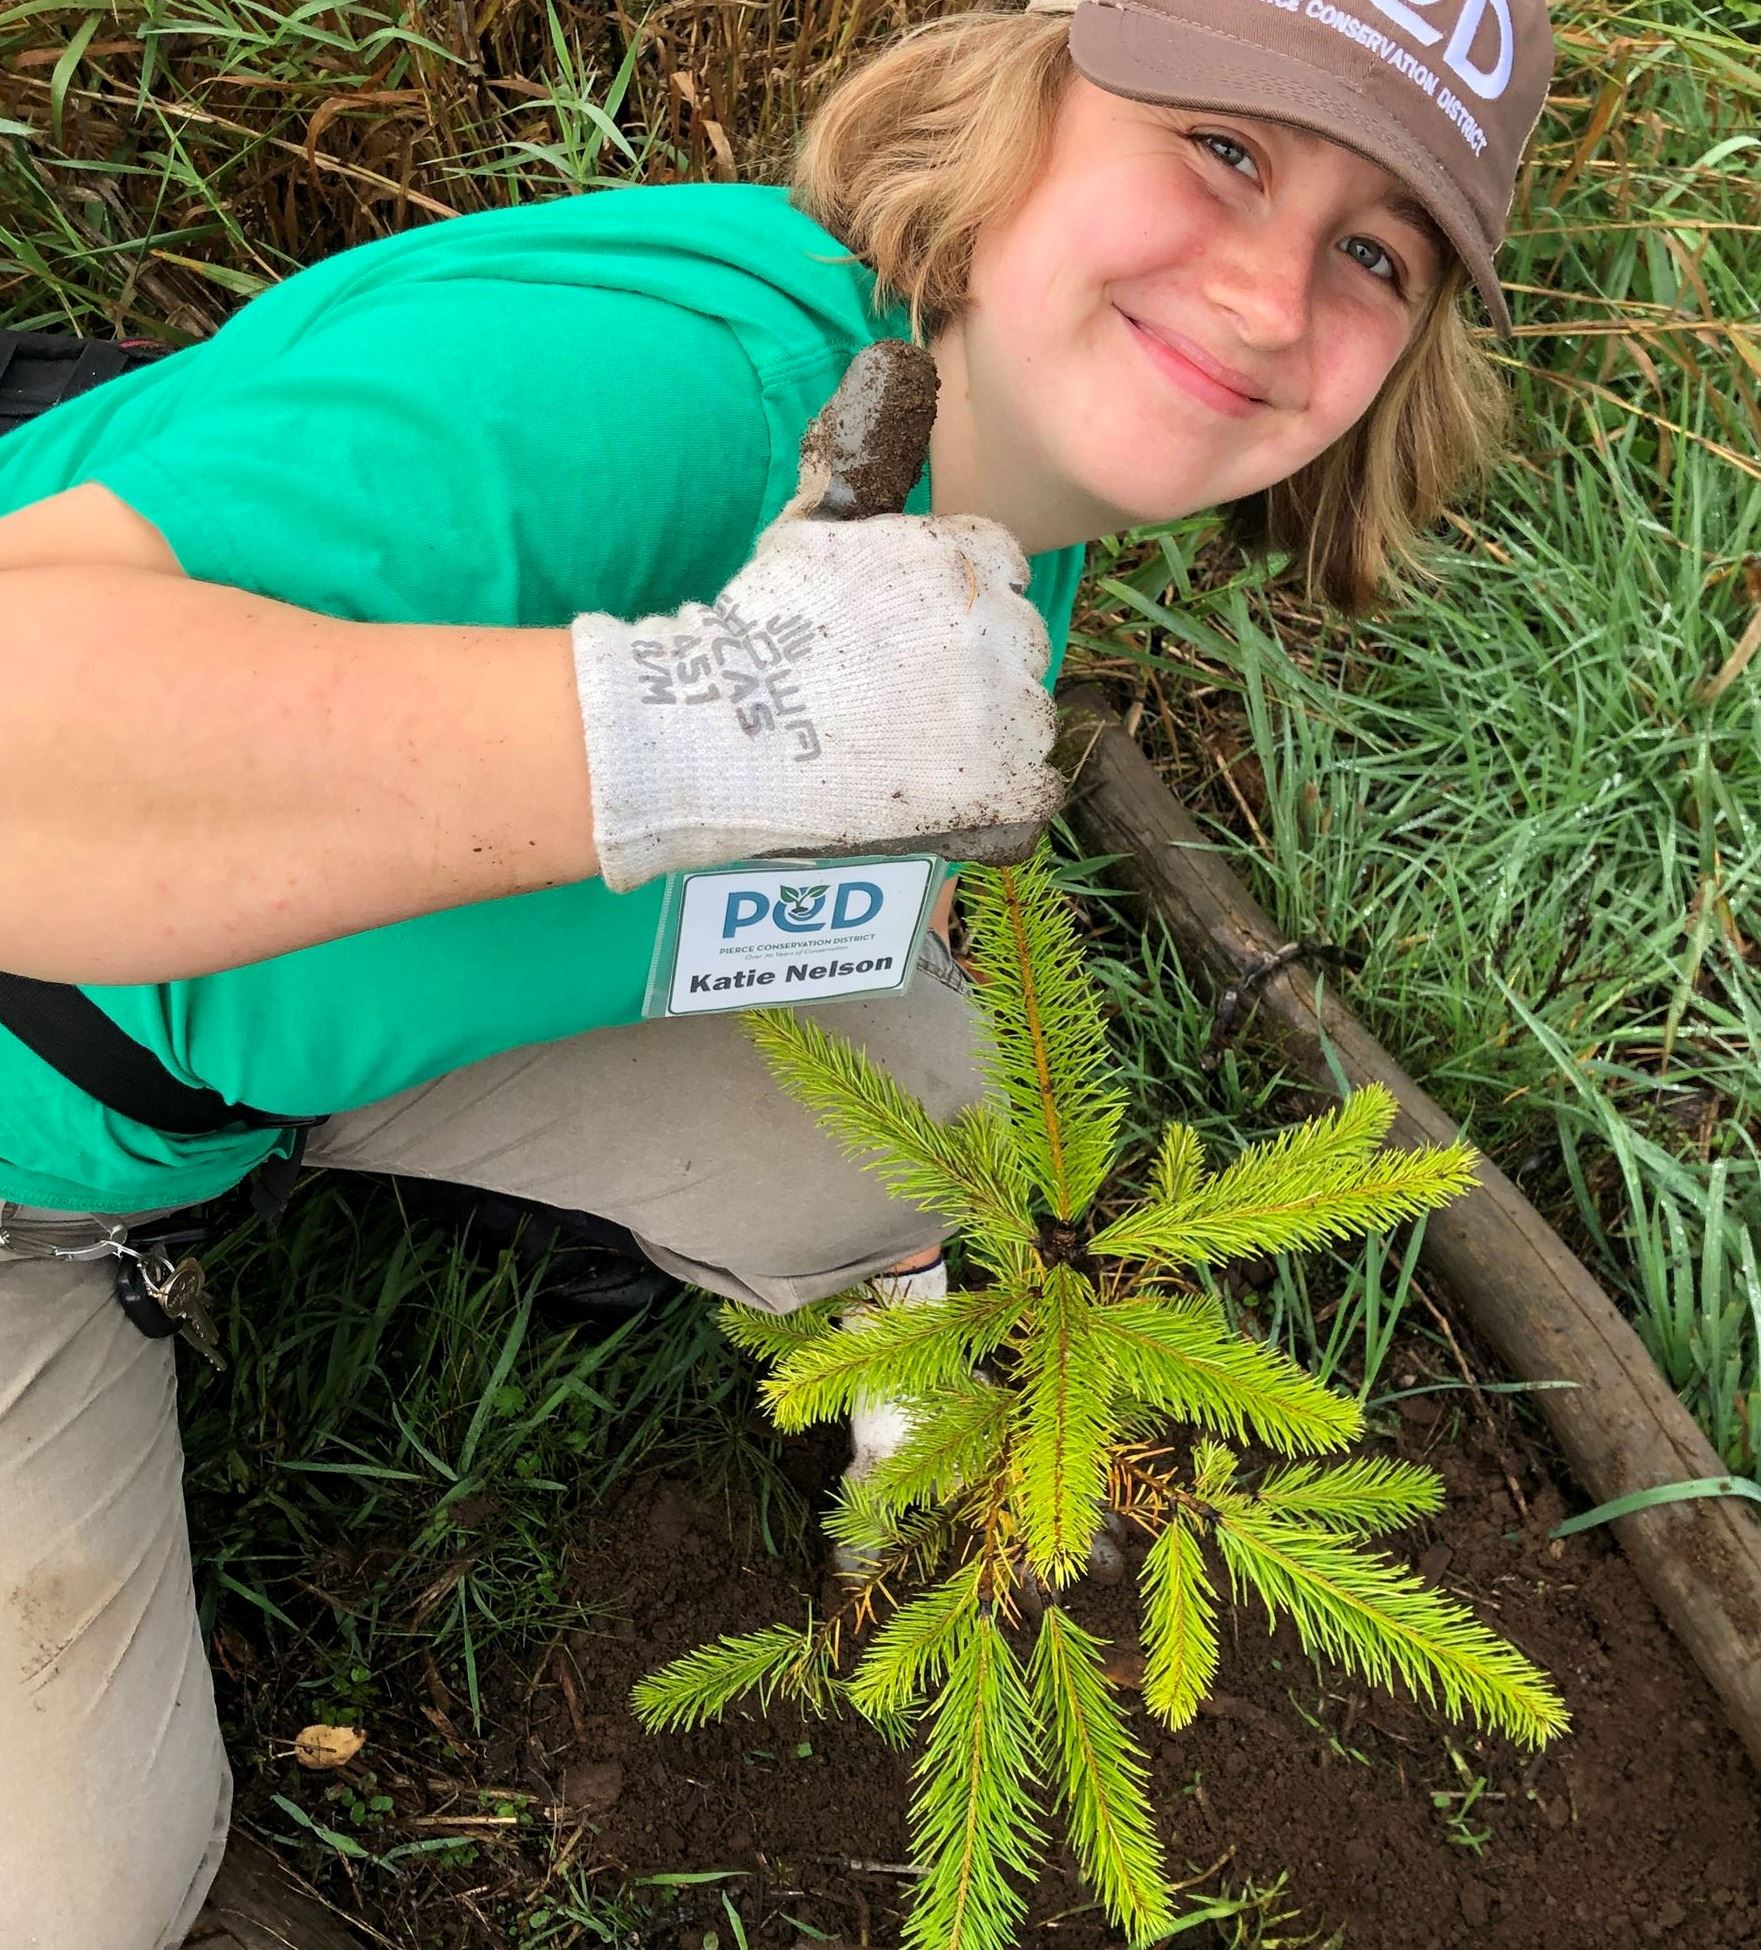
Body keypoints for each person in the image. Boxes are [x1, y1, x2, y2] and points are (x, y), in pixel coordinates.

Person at [0, 0, 1553, 1942]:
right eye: (1222, 150)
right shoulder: (660, 385)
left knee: (929, 1109)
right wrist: (695, 727)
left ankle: (917, 1440)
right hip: (25, 1120)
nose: (1260, 293)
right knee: (82, 1908)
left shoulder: (985, 452)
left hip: (275, 1021)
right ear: (1026, 105)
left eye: (1370, 248)